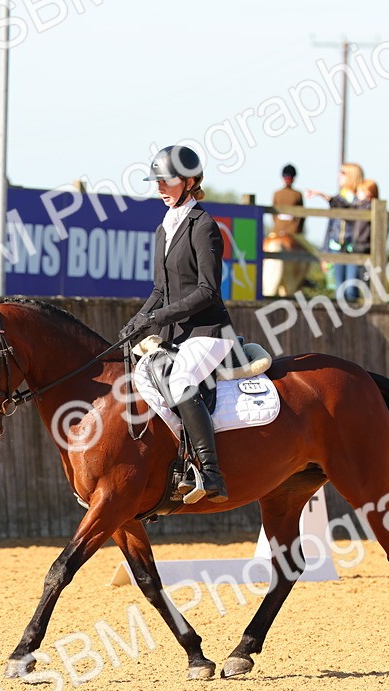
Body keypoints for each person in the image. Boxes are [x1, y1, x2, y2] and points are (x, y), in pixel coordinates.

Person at [120, 144, 234, 503]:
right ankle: (181, 461)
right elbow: (160, 289)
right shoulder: (163, 229)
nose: (159, 188)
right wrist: (138, 321)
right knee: (142, 377)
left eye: (165, 182)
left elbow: (207, 291)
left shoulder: (204, 227)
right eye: (156, 182)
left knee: (181, 378)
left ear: (188, 181)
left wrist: (158, 317)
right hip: (176, 336)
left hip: (208, 333)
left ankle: (212, 472)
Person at [306, 162, 364, 302]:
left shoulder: (360, 200)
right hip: (336, 248)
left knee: (351, 290)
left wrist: (323, 196)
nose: (339, 176)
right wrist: (324, 253)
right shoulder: (338, 198)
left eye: (343, 173)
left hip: (353, 250)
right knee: (339, 290)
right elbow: (330, 227)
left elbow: (348, 209)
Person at [263, 163, 306, 297]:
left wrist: (278, 227)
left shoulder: (276, 194)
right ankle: (305, 279)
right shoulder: (298, 195)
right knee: (310, 254)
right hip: (292, 232)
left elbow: (274, 214)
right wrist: (298, 228)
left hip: (276, 231)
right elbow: (302, 215)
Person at [349, 179, 379, 257]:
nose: (357, 193)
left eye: (360, 191)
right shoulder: (359, 206)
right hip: (357, 246)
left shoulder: (369, 207)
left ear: (368, 193)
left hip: (365, 247)